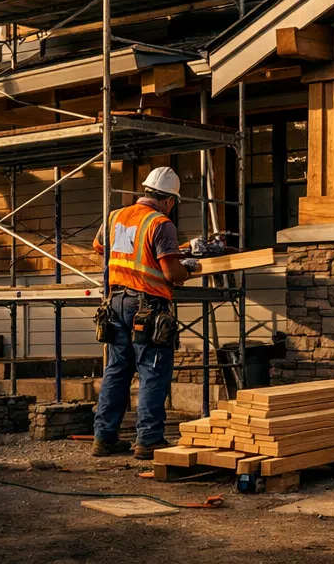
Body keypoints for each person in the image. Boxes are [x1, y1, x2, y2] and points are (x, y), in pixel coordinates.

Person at [91, 166, 199, 459]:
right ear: (169, 200)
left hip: (114, 302)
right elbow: (171, 273)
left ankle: (104, 438)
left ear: (146, 191)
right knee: (152, 371)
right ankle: (149, 440)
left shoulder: (115, 216)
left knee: (117, 370)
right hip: (148, 307)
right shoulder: (161, 223)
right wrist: (187, 269)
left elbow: (100, 248)